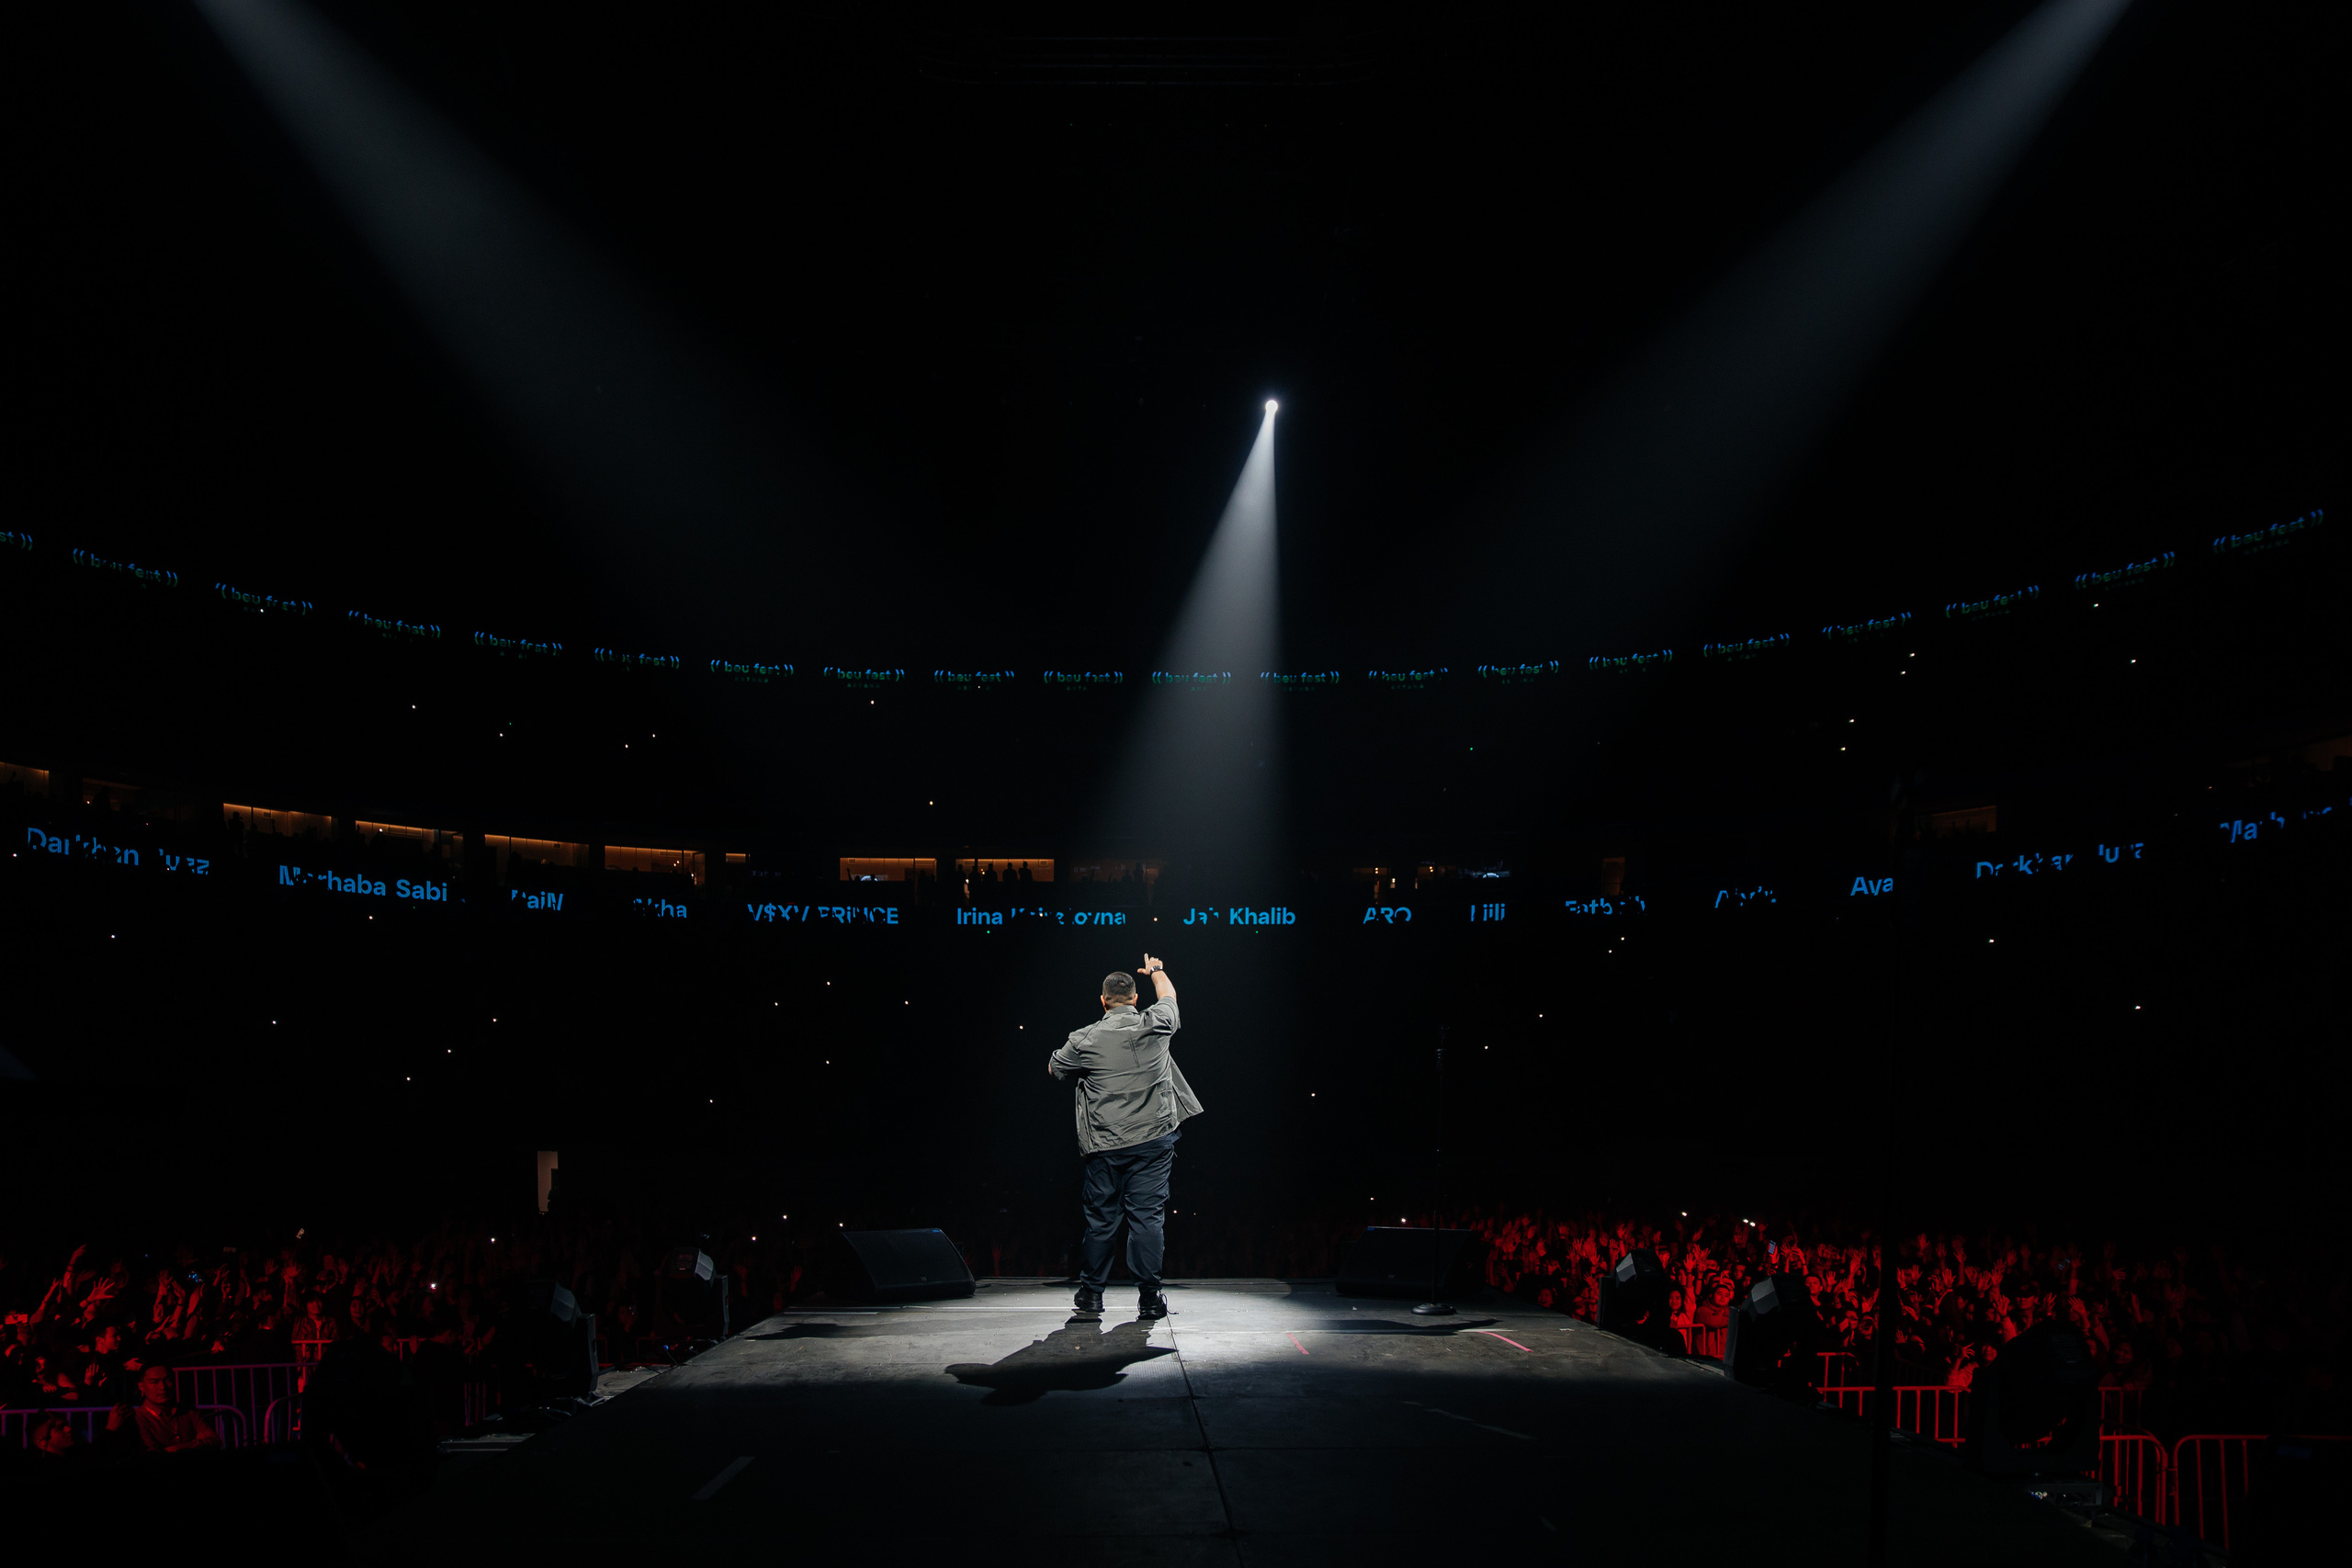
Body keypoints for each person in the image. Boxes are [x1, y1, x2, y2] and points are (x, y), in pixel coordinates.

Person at [1047, 955, 1201, 1322]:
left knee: (1102, 1221)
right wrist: (1157, 972)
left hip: (1106, 1146)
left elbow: (1054, 1067)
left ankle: (1091, 1297)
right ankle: (1149, 1299)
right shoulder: (1157, 1024)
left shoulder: (1085, 1038)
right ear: (1134, 999)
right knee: (1147, 1219)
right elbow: (1170, 997)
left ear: (1103, 1001)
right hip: (1153, 1143)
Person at [107, 1363, 219, 1454]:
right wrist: (197, 1444)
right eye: (154, 1382)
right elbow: (152, 1456)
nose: (162, 1387)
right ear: (141, 1387)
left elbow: (215, 1441)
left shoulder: (188, 1411)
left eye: (167, 1380)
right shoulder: (138, 1418)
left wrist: (179, 1448)